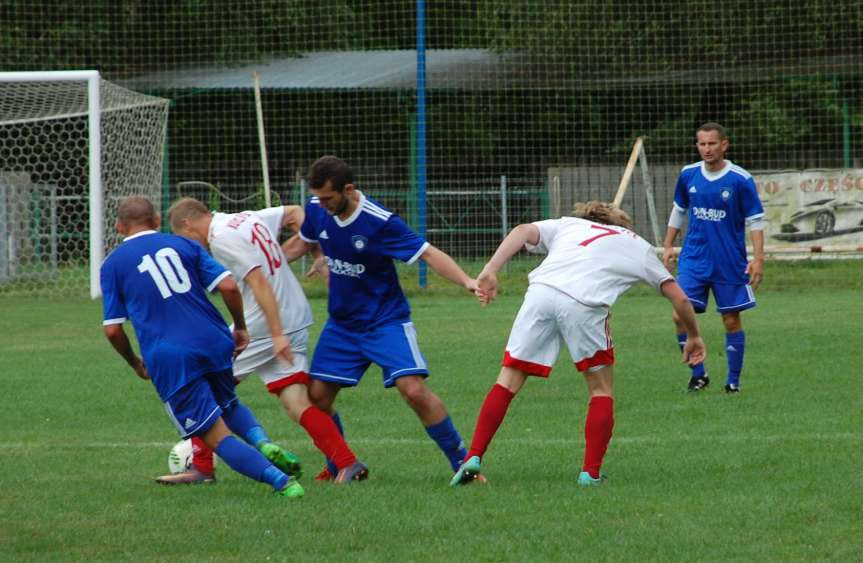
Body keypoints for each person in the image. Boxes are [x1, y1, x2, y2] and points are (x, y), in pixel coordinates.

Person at [450, 201, 706, 487]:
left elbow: (522, 230)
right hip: (584, 303)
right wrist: (694, 336)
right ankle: (590, 473)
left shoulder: (568, 225)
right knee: (600, 389)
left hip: (541, 294)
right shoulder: (636, 244)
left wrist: (490, 269)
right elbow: (680, 299)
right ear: (621, 224)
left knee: (507, 380)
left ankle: (472, 457)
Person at [282, 155, 478, 480]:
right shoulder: (317, 209)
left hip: (384, 322)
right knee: (317, 397)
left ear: (349, 188)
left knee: (413, 390)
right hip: (342, 325)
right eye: (318, 197)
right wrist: (259, 267)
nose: (322, 203)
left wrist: (468, 281)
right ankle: (340, 466)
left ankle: (462, 463)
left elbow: (427, 253)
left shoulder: (379, 222)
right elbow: (300, 244)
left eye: (329, 197)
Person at [100, 196, 304, 498]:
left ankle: (282, 482)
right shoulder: (186, 245)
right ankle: (262, 442)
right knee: (228, 404)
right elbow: (229, 286)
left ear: (118, 227)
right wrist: (240, 327)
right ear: (156, 221)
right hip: (213, 338)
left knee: (215, 437)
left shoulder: (113, 264)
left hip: (170, 355)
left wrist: (134, 362)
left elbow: (113, 329)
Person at [166, 197, 367, 484]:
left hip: (266, 323)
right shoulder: (247, 217)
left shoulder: (222, 238)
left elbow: (258, 282)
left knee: (204, 385)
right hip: (295, 312)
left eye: (183, 238)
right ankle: (347, 463)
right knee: (296, 402)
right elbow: (297, 213)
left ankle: (202, 468)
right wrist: (318, 254)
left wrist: (276, 334)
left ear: (187, 224)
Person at [662, 122, 765, 393]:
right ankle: (698, 375)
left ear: (724, 145)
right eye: (702, 144)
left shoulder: (740, 180)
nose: (706, 149)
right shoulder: (688, 175)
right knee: (678, 315)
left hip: (728, 260)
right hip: (695, 257)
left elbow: (755, 220)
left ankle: (733, 381)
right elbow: (679, 210)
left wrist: (758, 259)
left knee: (731, 319)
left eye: (711, 143)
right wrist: (668, 245)